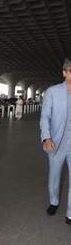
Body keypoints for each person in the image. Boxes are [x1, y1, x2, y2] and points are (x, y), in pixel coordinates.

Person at [40, 57, 71, 224]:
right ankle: (53, 201)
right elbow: (45, 116)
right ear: (64, 72)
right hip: (56, 142)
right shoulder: (52, 92)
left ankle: (70, 213)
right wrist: (46, 137)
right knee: (54, 175)